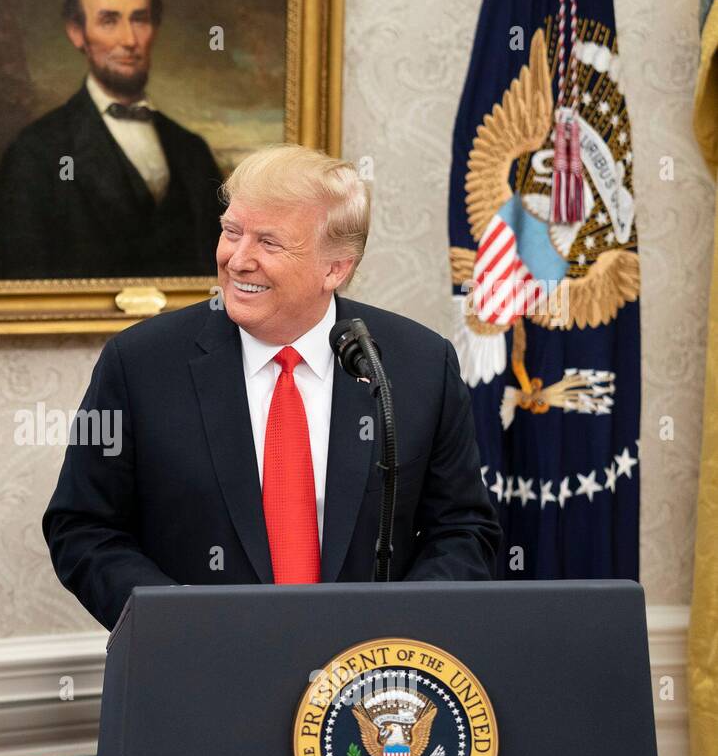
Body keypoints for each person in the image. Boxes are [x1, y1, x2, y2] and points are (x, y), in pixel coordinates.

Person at [43, 144, 501, 629]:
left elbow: (464, 530)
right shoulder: (140, 364)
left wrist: (395, 626)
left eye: (269, 243)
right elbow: (83, 528)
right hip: (195, 670)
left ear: (335, 268)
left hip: (365, 682)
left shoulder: (417, 365)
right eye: (231, 232)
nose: (238, 260)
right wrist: (173, 619)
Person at [0, 0, 224, 279]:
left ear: (155, 29)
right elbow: (20, 281)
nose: (129, 39)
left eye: (139, 19)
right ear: (77, 33)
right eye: (109, 21)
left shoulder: (192, 151)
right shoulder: (35, 152)